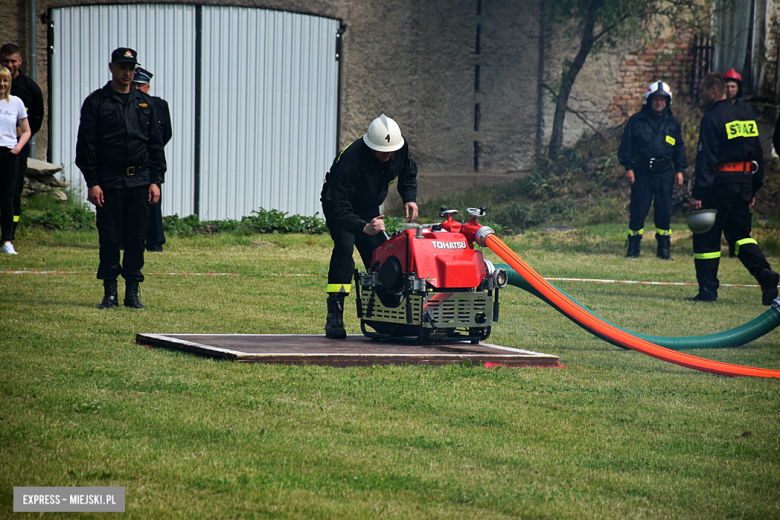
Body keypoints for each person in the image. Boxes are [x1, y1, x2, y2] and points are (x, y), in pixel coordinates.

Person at [75, 48, 166, 309]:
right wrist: (92, 181)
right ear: (111, 67)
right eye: (122, 67)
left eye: (131, 68)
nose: (127, 73)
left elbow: (155, 145)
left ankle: (132, 292)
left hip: (139, 181)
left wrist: (155, 180)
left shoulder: (145, 103)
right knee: (110, 238)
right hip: (109, 181)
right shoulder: (96, 102)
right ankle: (110, 292)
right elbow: (86, 146)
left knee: (137, 239)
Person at [320, 114, 418, 339]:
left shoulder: (398, 148)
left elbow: (408, 173)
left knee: (383, 254)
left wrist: (409, 198)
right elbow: (336, 205)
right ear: (371, 146)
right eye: (383, 152)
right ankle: (335, 314)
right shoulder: (351, 161)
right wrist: (363, 228)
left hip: (369, 209)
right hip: (341, 209)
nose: (388, 155)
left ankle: (388, 316)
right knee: (345, 248)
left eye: (391, 151)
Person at [687, 73, 778, 305]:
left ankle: (708, 291)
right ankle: (765, 274)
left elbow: (706, 159)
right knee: (740, 236)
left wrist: (698, 193)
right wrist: (753, 188)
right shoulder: (745, 117)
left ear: (714, 91)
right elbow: (759, 155)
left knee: (707, 237)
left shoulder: (712, 118)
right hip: (744, 183)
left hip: (720, 184)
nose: (699, 96)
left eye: (701, 91)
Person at [618, 81, 687, 259]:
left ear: (667, 102)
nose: (659, 102)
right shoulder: (636, 121)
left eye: (662, 99)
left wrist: (679, 170)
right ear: (648, 100)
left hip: (664, 172)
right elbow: (626, 146)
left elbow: (679, 148)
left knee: (663, 210)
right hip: (641, 172)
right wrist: (628, 168)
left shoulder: (673, 123)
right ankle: (633, 248)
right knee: (638, 209)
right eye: (655, 99)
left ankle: (663, 249)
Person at [0, 44, 44, 243]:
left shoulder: (29, 88)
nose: (9, 65)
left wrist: (18, 138)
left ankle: (10, 233)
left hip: (16, 148)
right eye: (5, 61)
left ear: (20, 61)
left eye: (13, 61)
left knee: (13, 189)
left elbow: (35, 119)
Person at [132, 67, 171, 252]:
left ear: (148, 87)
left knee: (153, 201)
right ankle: (127, 240)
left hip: (150, 160)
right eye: (135, 85)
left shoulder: (159, 105)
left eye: (141, 85)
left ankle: (155, 242)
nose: (137, 89)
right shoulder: (126, 104)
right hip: (130, 160)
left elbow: (166, 132)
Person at [0, 66, 31, 254]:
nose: (2, 84)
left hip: (9, 155)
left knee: (7, 198)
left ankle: (8, 241)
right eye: (0, 81)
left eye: (5, 81)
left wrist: (18, 147)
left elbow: (26, 130)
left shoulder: (16, 103)